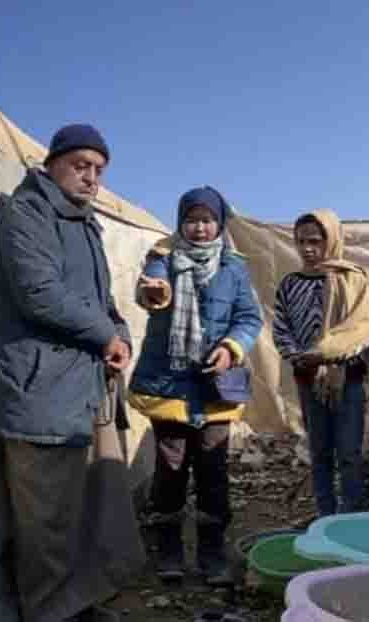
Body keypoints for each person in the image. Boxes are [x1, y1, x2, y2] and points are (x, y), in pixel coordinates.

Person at [0, 124, 143, 622]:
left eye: (99, 170)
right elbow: (40, 294)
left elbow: (104, 305)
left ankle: (76, 604)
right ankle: (48, 612)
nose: (92, 177)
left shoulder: (83, 225)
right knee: (45, 520)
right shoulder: (26, 214)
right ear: (52, 163)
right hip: (39, 392)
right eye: (81, 165)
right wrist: (105, 336)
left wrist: (122, 337)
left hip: (78, 389)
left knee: (77, 511)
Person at [127, 187, 263, 586]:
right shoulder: (163, 259)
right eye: (192, 220)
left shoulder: (235, 268)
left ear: (219, 224)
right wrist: (154, 292)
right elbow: (150, 286)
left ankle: (211, 552)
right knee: (169, 471)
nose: (200, 228)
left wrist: (230, 347)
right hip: (169, 386)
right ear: (181, 223)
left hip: (215, 390)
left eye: (207, 220)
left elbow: (249, 318)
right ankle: (169, 549)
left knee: (212, 473)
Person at [272, 209, 369, 517]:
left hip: (347, 377)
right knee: (319, 453)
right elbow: (281, 328)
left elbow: (364, 326)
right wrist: (299, 356)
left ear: (331, 240)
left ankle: (352, 520)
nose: (308, 248)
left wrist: (325, 351)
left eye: (316, 241)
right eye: (301, 241)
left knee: (349, 452)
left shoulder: (353, 279)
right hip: (308, 379)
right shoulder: (290, 284)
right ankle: (325, 518)